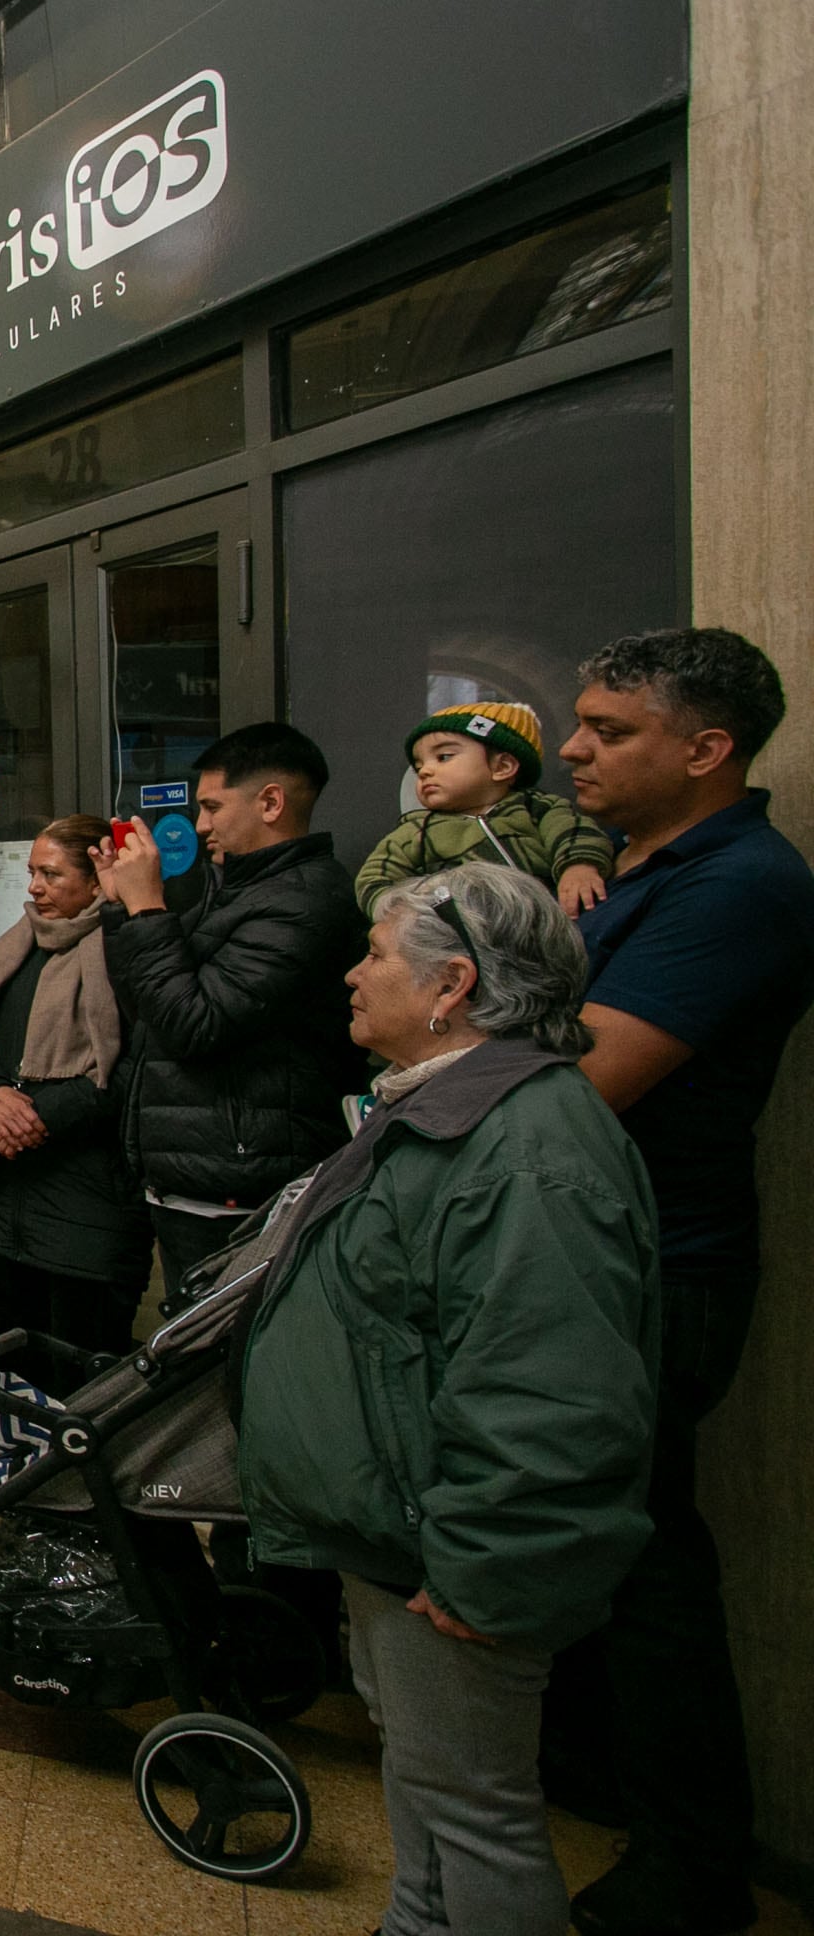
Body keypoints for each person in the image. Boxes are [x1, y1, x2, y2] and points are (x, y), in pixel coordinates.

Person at [239, 865, 659, 1936]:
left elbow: (551, 1393)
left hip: (455, 1548)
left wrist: (486, 1564)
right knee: (427, 1780)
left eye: (376, 952)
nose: (351, 969)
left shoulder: (524, 1151)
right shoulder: (442, 1109)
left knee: (479, 1812)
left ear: (452, 985)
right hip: (400, 1527)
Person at [544, 628, 814, 1935]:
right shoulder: (626, 870)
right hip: (578, 1256)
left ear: (707, 749)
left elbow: (585, 1075)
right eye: (580, 723)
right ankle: (595, 1778)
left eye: (609, 729)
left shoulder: (742, 884)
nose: (573, 748)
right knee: (591, 1548)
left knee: (647, 1562)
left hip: (650, 1268)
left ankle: (690, 1862)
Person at [97, 722, 368, 1305]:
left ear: (271, 802)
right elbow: (147, 1008)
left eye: (213, 807)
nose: (200, 826)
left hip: (242, 1190)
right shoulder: (233, 889)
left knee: (224, 1371)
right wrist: (124, 911)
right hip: (192, 1176)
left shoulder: (304, 900)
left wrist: (148, 907)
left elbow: (194, 1025)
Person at [0, 815, 151, 1355]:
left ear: (96, 880)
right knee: (1, 1365)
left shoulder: (128, 948)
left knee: (75, 1369)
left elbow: (132, 1068)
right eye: (33, 872)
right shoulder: (17, 944)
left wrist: (33, 1116)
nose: (34, 887)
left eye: (52, 875)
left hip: (82, 1205)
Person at [354, 701, 615, 917]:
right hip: (459, 940)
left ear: (502, 767)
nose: (425, 771)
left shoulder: (539, 809)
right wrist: (400, 913)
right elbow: (376, 877)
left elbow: (574, 833)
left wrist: (579, 866)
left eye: (444, 757)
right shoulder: (416, 830)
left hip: (547, 927)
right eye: (419, 764)